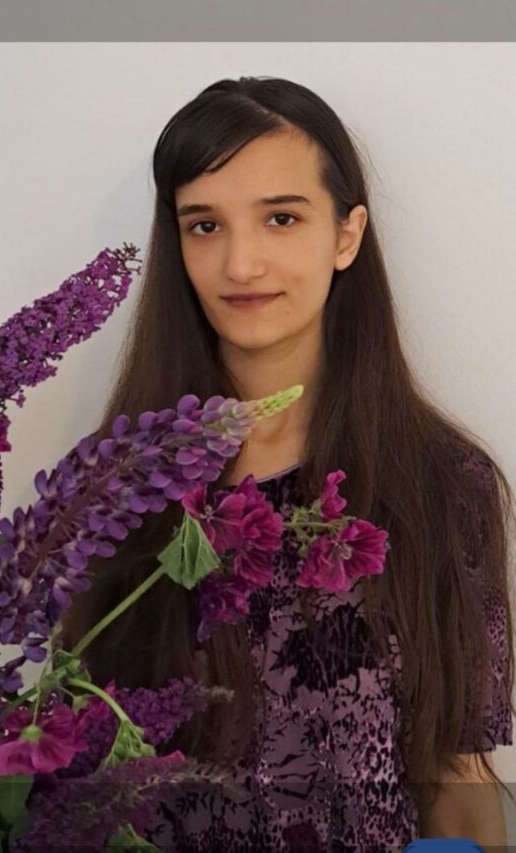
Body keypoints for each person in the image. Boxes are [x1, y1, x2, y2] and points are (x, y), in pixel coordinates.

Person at [62, 76, 515, 848]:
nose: (241, 263)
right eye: (205, 225)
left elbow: (456, 781)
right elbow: (75, 765)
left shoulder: (443, 484)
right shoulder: (111, 484)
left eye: (281, 217)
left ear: (346, 235)